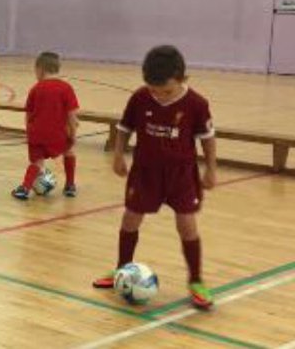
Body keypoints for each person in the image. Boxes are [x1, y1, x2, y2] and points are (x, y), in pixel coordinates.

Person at [92, 45, 217, 309]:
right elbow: (125, 128)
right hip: (145, 172)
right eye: (153, 90)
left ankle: (196, 280)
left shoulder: (196, 103)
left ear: (183, 79)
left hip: (181, 175)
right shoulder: (139, 98)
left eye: (167, 91)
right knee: (130, 220)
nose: (159, 95)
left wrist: (211, 168)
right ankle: (121, 271)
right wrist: (118, 155)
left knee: (187, 224)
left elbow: (206, 138)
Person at [13, 52, 80, 200]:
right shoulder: (66, 88)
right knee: (69, 151)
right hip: (58, 134)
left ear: (40, 69)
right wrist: (73, 134)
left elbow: (28, 115)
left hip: (36, 133)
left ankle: (24, 188)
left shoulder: (35, 89)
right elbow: (72, 115)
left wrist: (29, 133)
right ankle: (70, 185)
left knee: (36, 162)